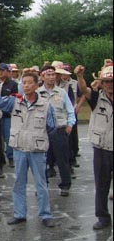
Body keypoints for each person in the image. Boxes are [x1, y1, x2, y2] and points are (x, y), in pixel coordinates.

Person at [0, 72, 56, 228]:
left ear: (37, 85)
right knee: (19, 183)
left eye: (30, 83)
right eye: (24, 82)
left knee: (41, 184)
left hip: (37, 149)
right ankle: (19, 214)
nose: (26, 85)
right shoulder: (15, 102)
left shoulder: (46, 105)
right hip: (19, 149)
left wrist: (39, 138)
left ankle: (45, 214)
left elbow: (51, 127)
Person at [75, 64, 113, 230]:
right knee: (102, 184)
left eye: (112, 81)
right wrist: (80, 76)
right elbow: (84, 89)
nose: (110, 84)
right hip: (102, 148)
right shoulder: (96, 97)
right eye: (106, 81)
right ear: (102, 83)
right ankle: (103, 217)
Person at [38, 65, 76, 197]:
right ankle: (42, 186)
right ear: (42, 76)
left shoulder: (61, 92)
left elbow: (70, 111)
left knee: (62, 160)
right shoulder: (37, 93)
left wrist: (70, 125)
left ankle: (65, 185)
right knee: (41, 160)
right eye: (48, 75)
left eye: (53, 74)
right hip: (42, 131)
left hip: (60, 129)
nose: (51, 77)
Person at [0, 63, 19, 168]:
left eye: (2, 70)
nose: (0, 72)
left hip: (7, 115)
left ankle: (10, 157)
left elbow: (14, 99)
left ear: (7, 71)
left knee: (9, 137)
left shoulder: (12, 84)